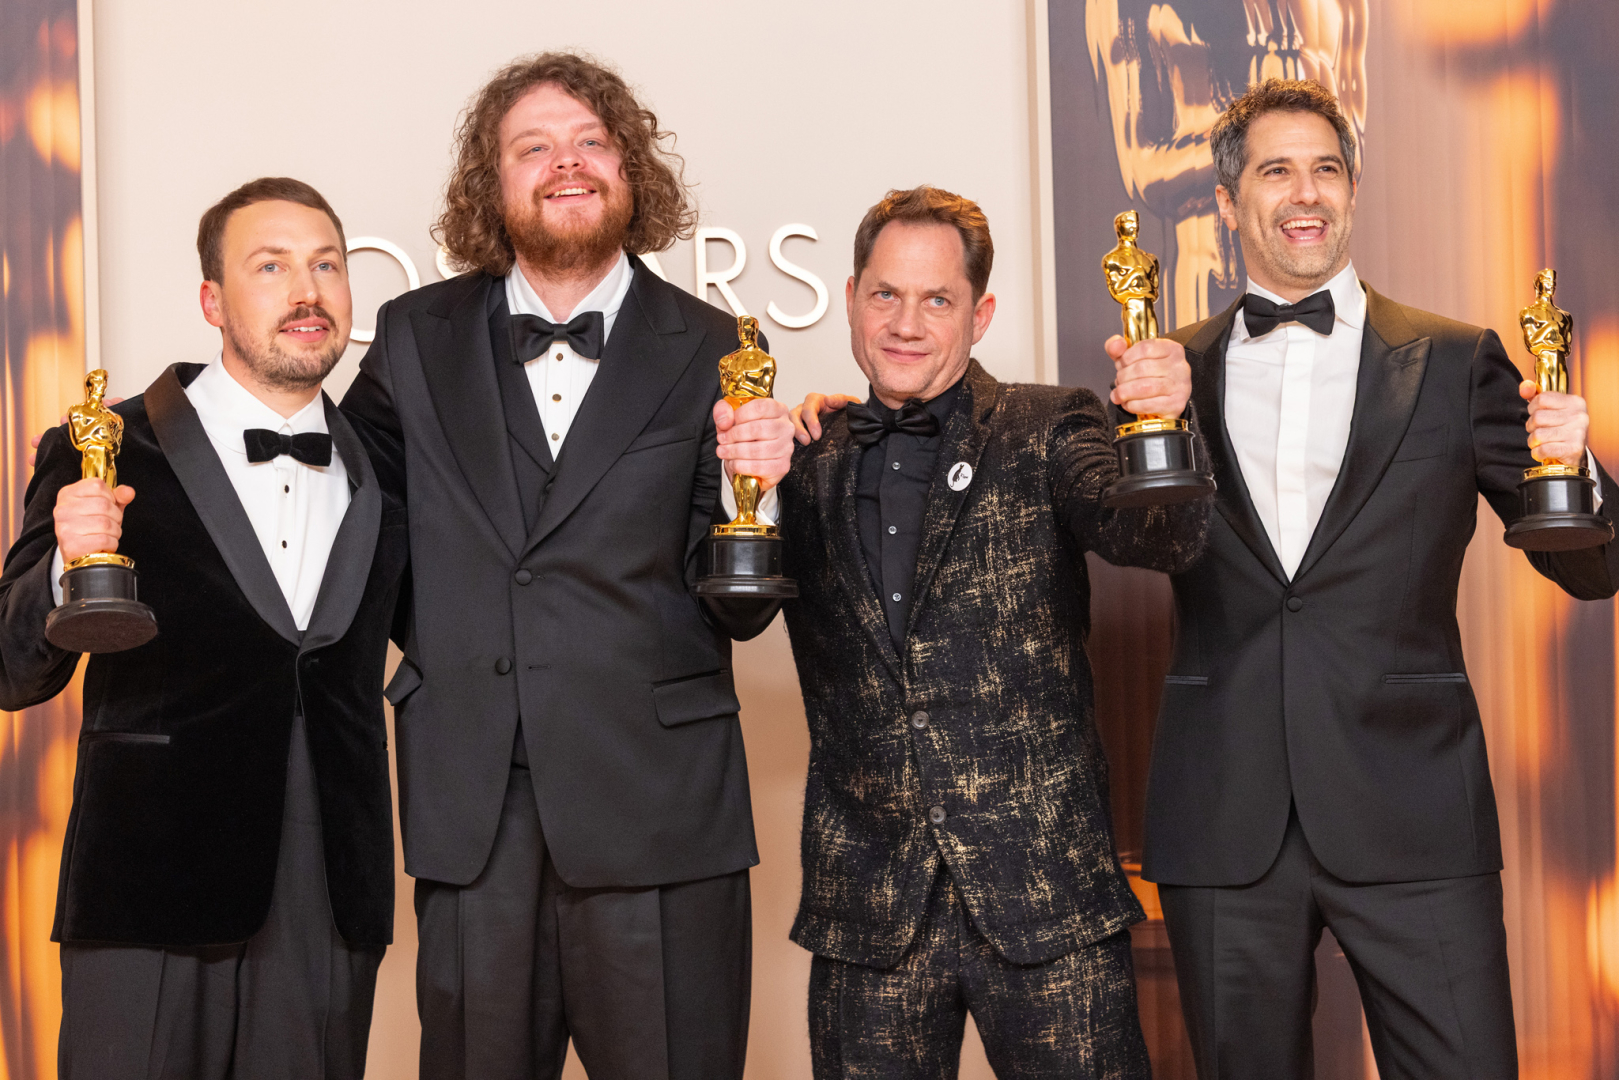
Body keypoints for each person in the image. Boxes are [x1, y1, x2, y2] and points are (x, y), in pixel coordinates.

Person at [1138, 79, 1619, 1078]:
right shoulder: (1164, 373)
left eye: (1325, 169)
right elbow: (1116, 535)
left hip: (1413, 810)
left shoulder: (1454, 360)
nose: (1304, 193)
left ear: (1352, 190)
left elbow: (1593, 568)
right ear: (1227, 201)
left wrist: (1572, 462)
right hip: (1225, 817)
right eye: (1275, 171)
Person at [339, 51, 794, 1080]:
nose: (566, 163)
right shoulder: (412, 337)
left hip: (660, 810)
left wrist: (758, 490)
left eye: (591, 142)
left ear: (630, 168)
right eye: (533, 147)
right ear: (491, 181)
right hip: (472, 812)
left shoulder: (717, 346)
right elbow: (355, 524)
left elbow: (737, 606)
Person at [782, 185, 1208, 1077]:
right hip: (868, 912)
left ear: (979, 315)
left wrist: (1163, 418)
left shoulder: (1048, 425)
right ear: (852, 297)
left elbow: (1159, 539)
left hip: (1046, 897)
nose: (905, 324)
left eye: (936, 299)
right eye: (884, 294)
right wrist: (747, 462)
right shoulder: (802, 458)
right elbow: (721, 606)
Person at [0, 177, 407, 1080]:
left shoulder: (390, 468)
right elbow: (9, 667)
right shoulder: (103, 444)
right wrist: (68, 566)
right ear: (212, 301)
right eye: (271, 266)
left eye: (326, 265)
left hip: (327, 900)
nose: (307, 291)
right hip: (145, 887)